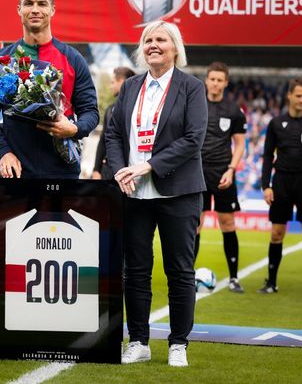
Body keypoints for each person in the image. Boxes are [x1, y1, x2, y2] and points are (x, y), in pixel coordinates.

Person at [104, 20, 207, 367]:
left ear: (175, 47)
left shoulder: (191, 87)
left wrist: (148, 166)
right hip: (134, 193)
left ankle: (178, 343)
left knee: (179, 270)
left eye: (161, 39)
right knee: (135, 270)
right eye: (148, 39)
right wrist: (121, 169)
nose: (153, 44)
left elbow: (193, 139)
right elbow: (114, 133)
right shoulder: (131, 86)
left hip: (178, 191)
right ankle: (139, 340)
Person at [0, 0, 99, 179]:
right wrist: (4, 152)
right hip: (16, 172)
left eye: (42, 4)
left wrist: (74, 129)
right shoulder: (1, 62)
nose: (35, 9)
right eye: (28, 4)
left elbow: (91, 112)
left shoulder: (73, 59)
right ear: (19, 9)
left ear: (52, 10)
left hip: (62, 172)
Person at [259, 78, 302, 297]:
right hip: (281, 182)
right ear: (289, 95)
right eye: (298, 95)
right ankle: (271, 282)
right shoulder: (276, 123)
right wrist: (265, 185)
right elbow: (268, 155)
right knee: (277, 233)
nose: (301, 100)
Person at [195, 62, 247, 292]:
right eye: (212, 79)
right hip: (196, 174)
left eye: (220, 80)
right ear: (207, 80)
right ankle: (187, 277)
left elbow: (240, 144)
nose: (215, 83)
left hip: (223, 173)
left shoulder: (234, 110)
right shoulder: (195, 105)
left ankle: (234, 278)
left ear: (226, 83)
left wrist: (231, 169)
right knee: (195, 224)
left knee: (227, 223)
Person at [92, 67, 136, 180]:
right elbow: (103, 140)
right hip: (108, 171)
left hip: (131, 171)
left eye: (113, 82)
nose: (110, 86)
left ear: (121, 82)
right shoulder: (110, 110)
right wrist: (96, 170)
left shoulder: (138, 110)